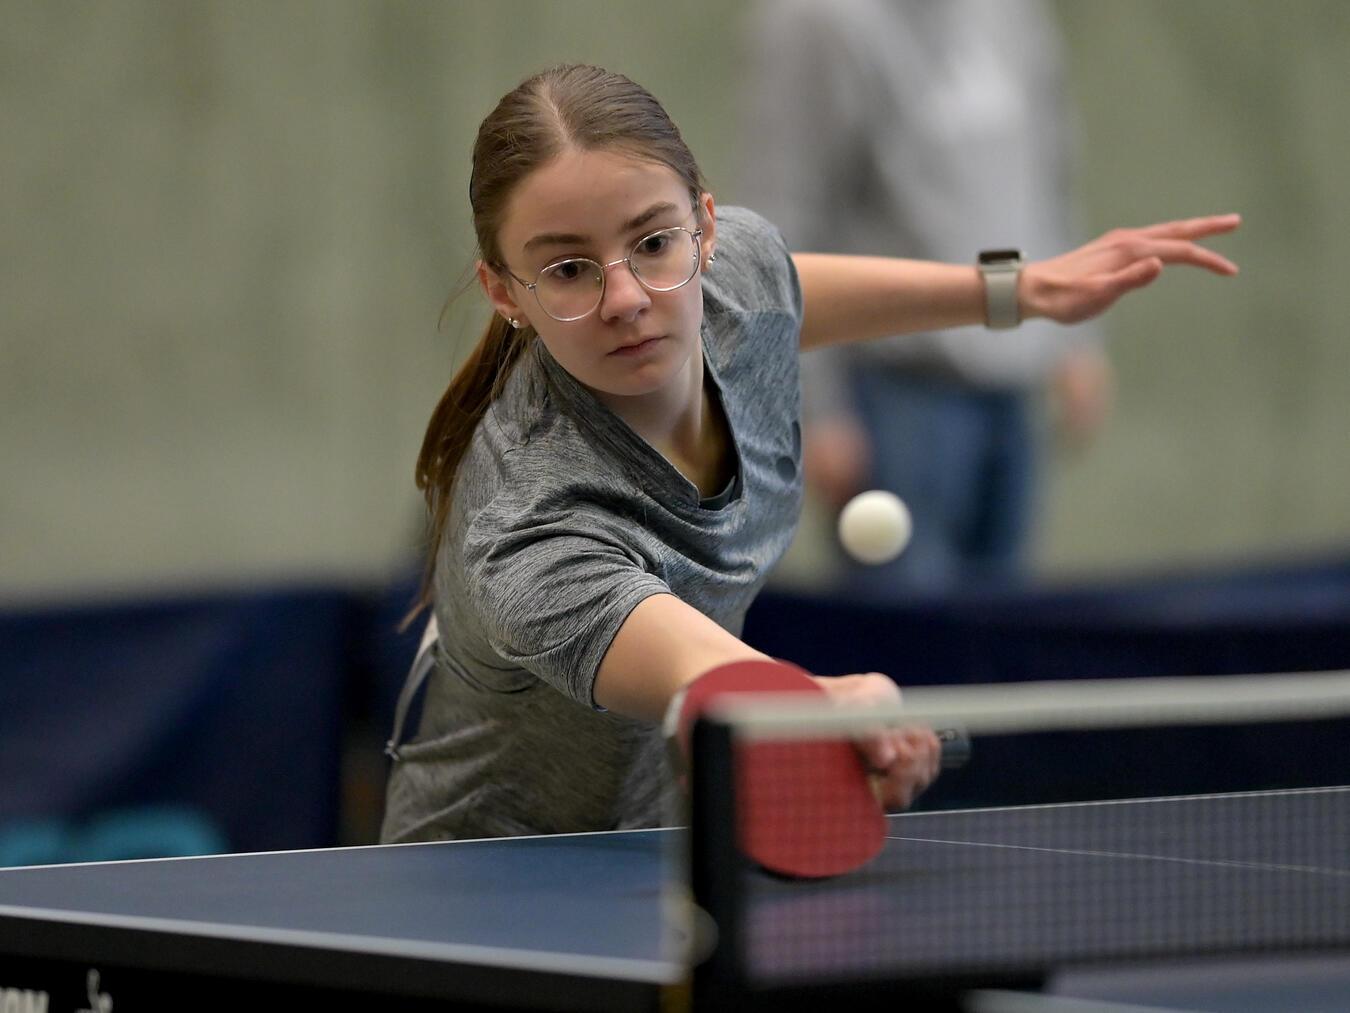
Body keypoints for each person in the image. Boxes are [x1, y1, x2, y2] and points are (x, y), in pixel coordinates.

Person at [380, 64, 1238, 844]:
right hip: (491, 873)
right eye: (569, 269)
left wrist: (1021, 290)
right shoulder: (526, 521)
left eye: (653, 242)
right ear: (505, 292)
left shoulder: (732, 278)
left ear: (704, 229)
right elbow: (702, 669)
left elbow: (783, 293)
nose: (628, 296)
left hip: (651, 843)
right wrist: (826, 702)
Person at [741, 0, 1114, 595]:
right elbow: (785, 217)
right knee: (910, 630)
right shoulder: (817, 22)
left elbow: (1048, 177)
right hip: (891, 394)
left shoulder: (1011, 14)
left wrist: (1075, 337)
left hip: (1012, 389)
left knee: (999, 627)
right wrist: (814, 407)